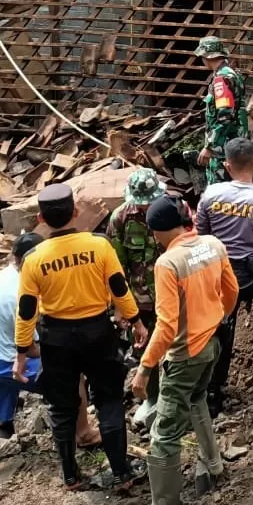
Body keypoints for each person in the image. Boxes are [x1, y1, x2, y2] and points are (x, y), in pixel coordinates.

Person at [15, 184, 149, 491]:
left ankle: (71, 476)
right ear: (76, 213)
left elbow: (26, 312)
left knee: (62, 407)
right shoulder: (99, 245)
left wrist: (21, 353)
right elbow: (119, 288)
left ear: (41, 218)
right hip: (98, 333)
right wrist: (136, 320)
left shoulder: (34, 259)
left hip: (56, 339)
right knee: (109, 400)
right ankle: (121, 474)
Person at [127, 195, 239, 505]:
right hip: (212, 345)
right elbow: (231, 291)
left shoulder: (167, 263)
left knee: (164, 433)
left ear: (156, 232)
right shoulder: (213, 244)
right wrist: (217, 319)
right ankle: (214, 463)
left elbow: (166, 325)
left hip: (184, 354)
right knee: (198, 400)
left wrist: (145, 367)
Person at [0, 234, 100, 487]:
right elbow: (31, 348)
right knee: (73, 376)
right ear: (28, 259)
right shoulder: (20, 293)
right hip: (11, 360)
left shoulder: (3, 276)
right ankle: (83, 433)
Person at [196, 138, 253, 422]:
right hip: (252, 275)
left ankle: (213, 391)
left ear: (227, 166)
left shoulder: (211, 193)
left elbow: (200, 234)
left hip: (215, 271)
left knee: (220, 331)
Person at [106, 168, 166, 428]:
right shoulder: (119, 219)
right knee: (143, 348)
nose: (145, 208)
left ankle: (180, 399)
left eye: (149, 202)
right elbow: (115, 268)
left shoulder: (173, 210)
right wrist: (121, 306)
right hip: (139, 299)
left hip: (171, 292)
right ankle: (152, 398)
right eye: (141, 203)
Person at [194, 36, 247, 184]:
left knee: (220, 193)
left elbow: (225, 116)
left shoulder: (222, 79)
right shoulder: (231, 74)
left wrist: (210, 146)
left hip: (223, 149)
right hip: (235, 145)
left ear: (206, 57)